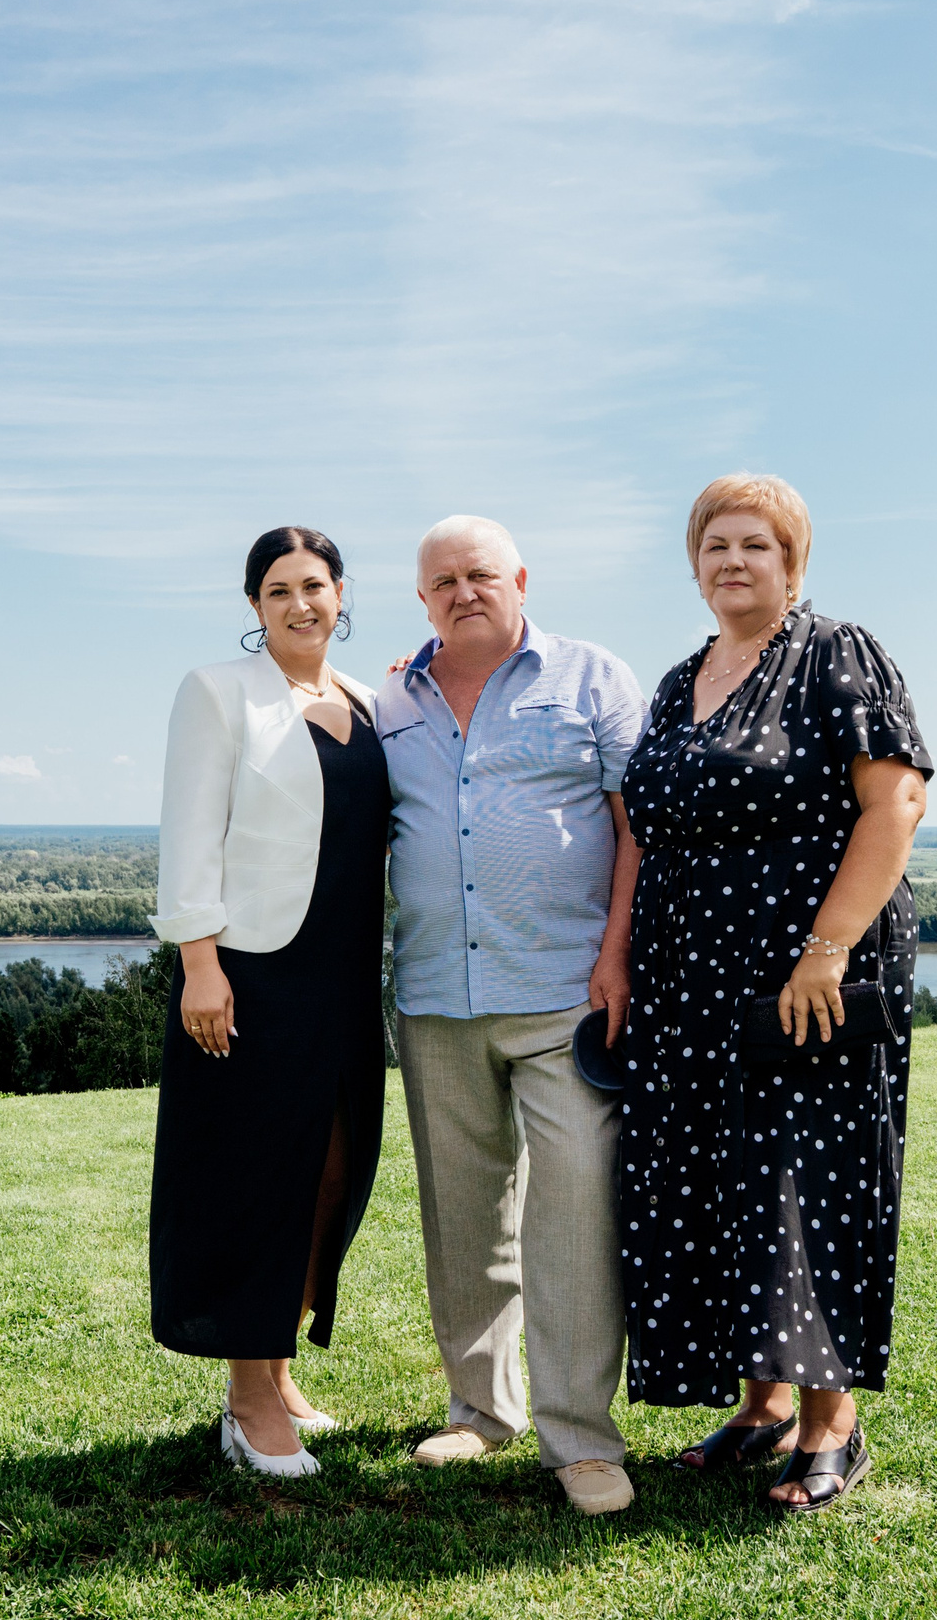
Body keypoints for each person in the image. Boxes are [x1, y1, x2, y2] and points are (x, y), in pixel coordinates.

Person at [615, 474, 931, 1514]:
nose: (732, 561)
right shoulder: (676, 681)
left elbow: (896, 801)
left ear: (792, 562)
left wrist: (826, 949)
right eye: (714, 545)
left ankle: (830, 1421)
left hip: (806, 976)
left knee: (810, 1182)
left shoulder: (836, 651)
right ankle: (757, 1405)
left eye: (755, 544)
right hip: (687, 982)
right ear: (693, 563)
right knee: (719, 1182)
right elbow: (645, 826)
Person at [379, 515, 648, 1517]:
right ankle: (477, 1412)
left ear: (521, 578)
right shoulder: (390, 698)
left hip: (564, 996)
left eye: (480, 573)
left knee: (573, 1209)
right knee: (463, 1216)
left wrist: (617, 954)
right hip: (436, 998)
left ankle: (579, 1438)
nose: (463, 590)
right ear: (421, 598)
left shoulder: (592, 678)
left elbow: (636, 831)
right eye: (441, 579)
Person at [148, 526, 392, 1479]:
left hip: (344, 973)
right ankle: (250, 1401)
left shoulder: (373, 702)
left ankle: (279, 1367)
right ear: (254, 606)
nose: (301, 603)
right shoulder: (218, 692)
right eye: (279, 589)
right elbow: (189, 833)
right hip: (250, 973)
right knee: (256, 1179)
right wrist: (199, 964)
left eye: (316, 585)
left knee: (330, 1174)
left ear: (342, 595)